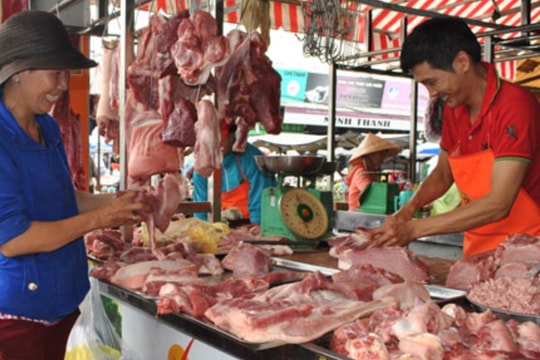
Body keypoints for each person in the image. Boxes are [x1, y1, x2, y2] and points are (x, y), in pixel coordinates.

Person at [0, 10, 151, 359]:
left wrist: (114, 202)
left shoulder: (47, 128)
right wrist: (101, 219)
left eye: (65, 74)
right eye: (55, 73)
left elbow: (63, 200)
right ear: (19, 72)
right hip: (17, 320)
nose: (63, 86)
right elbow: (13, 239)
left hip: (63, 307)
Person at [369, 17, 540, 257]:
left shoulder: (514, 106)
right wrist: (407, 211)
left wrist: (415, 229)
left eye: (432, 81)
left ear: (462, 62)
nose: (432, 93)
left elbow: (499, 203)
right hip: (478, 250)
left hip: (527, 252)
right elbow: (442, 174)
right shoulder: (453, 110)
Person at [192, 124, 276, 223]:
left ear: (233, 136)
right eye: (210, 139)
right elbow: (200, 212)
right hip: (220, 226)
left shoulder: (252, 159)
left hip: (253, 224)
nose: (215, 144)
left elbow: (262, 206)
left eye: (220, 138)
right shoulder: (202, 165)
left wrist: (254, 232)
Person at [344, 133, 401, 211]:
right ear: (370, 154)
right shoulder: (361, 172)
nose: (383, 158)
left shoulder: (372, 172)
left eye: (384, 154)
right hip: (357, 215)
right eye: (380, 154)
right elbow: (372, 194)